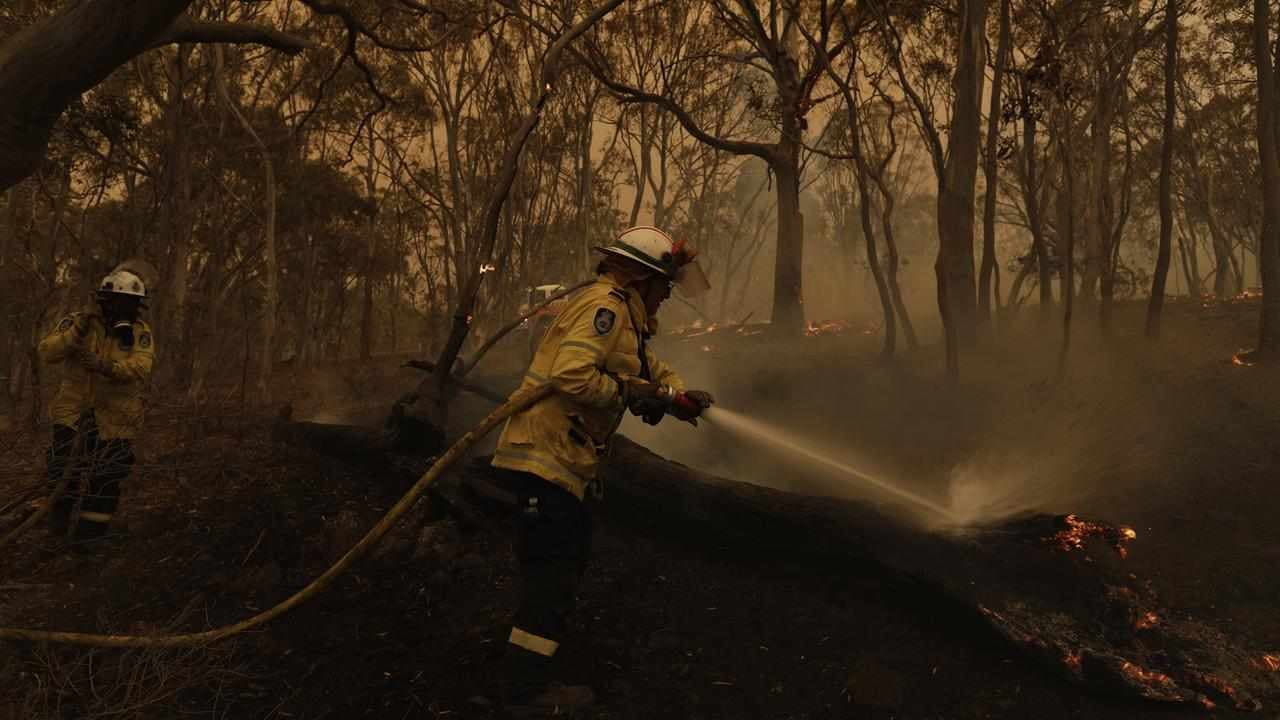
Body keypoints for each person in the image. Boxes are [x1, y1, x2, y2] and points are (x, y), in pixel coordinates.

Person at [488, 226, 715, 714]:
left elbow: (648, 368)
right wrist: (626, 394)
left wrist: (678, 396)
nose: (666, 298)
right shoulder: (605, 309)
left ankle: (524, 679)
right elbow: (571, 375)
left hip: (559, 460)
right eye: (664, 288)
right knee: (554, 574)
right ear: (642, 280)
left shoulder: (624, 320)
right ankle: (524, 695)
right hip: (545, 457)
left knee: (560, 569)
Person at [37, 265, 155, 549]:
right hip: (72, 414)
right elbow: (47, 351)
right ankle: (55, 538)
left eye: (130, 303)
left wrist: (108, 367)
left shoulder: (139, 332)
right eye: (117, 302)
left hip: (117, 420)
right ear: (103, 300)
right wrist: (77, 331)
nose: (123, 309)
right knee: (63, 474)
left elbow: (143, 366)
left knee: (106, 479)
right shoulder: (79, 323)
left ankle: (88, 543)